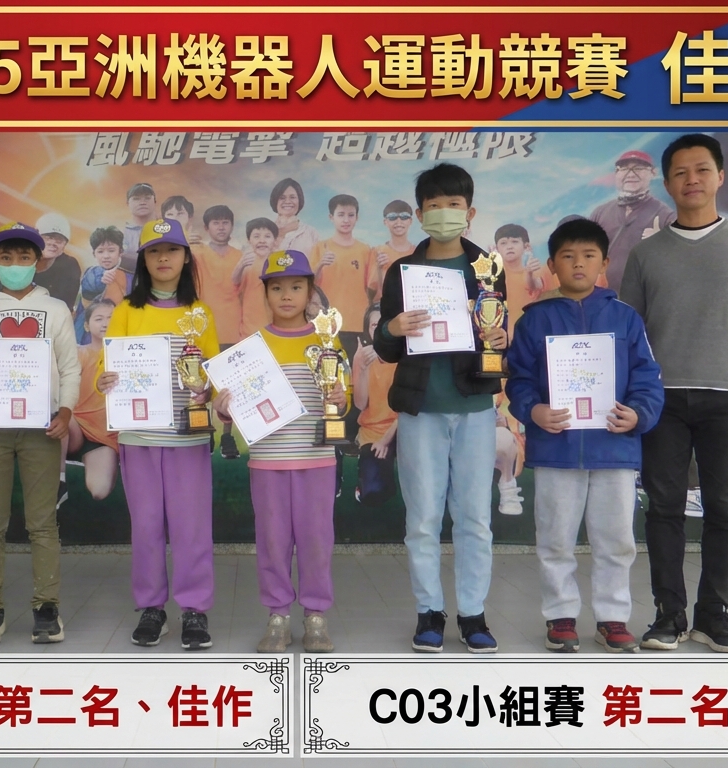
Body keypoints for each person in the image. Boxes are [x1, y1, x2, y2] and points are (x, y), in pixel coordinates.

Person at [620, 134, 728, 654]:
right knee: (663, 507)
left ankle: (714, 615)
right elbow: (633, 326)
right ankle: (668, 615)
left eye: (702, 169)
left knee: (724, 508)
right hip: (661, 398)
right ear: (667, 184)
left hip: (727, 395)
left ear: (720, 177)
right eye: (681, 172)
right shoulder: (646, 254)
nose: (692, 179)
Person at [505, 218, 664, 653]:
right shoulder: (534, 320)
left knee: (616, 540)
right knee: (555, 538)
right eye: (568, 256)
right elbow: (518, 379)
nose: (579, 264)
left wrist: (638, 415)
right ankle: (560, 615)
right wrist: (533, 410)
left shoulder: (625, 318)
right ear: (552, 265)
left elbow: (647, 377)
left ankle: (613, 618)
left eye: (589, 255)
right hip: (556, 449)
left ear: (604, 263)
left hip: (614, 448)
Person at [373, 163, 509, 654]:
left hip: (474, 406)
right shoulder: (401, 271)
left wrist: (499, 339)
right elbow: (386, 347)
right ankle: (429, 612)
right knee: (423, 518)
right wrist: (393, 328)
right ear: (420, 214)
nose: (444, 213)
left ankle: (473, 614)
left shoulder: (487, 268)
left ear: (469, 212)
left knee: (474, 517)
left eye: (454, 205)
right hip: (420, 408)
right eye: (434, 205)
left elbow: (497, 334)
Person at [214, 250, 345, 653]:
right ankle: (278, 616)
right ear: (266, 294)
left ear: (310, 292)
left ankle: (316, 616)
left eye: (296, 287)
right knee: (272, 541)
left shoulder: (327, 342)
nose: (286, 295)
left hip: (316, 460)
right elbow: (233, 406)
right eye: (277, 288)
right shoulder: (250, 349)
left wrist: (341, 399)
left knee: (316, 540)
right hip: (268, 462)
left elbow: (342, 402)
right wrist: (224, 408)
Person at [97, 218, 219, 651]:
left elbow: (212, 370)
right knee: (146, 525)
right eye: (154, 251)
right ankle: (152, 607)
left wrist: (206, 388)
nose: (163, 258)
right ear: (143, 260)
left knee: (191, 526)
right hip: (140, 437)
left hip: (187, 436)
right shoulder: (127, 311)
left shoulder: (200, 313)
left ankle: (194, 609)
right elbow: (106, 365)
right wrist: (104, 379)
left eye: (171, 250)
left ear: (186, 258)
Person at [0, 222, 80, 645]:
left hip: (41, 426)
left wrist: (65, 411)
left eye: (24, 257)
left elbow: (70, 367)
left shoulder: (56, 310)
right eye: (6, 258)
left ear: (38, 263)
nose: (15, 265)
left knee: (42, 522)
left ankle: (46, 607)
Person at [192, 205, 244, 460]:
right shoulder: (196, 253)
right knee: (200, 386)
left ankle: (226, 435)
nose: (221, 227)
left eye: (225, 222)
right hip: (203, 330)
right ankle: (205, 430)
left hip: (234, 329)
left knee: (228, 387)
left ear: (231, 226)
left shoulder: (241, 256)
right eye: (216, 223)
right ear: (206, 227)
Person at [589, 149, 676, 293]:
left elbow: (679, 265)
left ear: (653, 173)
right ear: (616, 174)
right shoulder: (600, 213)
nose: (631, 174)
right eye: (624, 168)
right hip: (602, 299)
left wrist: (662, 244)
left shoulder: (665, 215)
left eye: (639, 168)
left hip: (644, 300)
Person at [67, 300, 120, 501]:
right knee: (56, 411)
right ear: (87, 325)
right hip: (73, 429)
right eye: (99, 319)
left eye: (111, 318)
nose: (105, 323)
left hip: (103, 437)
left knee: (99, 490)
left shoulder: (129, 356)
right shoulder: (78, 353)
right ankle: (58, 480)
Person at [314, 194, 377, 340]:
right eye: (341, 215)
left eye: (351, 215)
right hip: (326, 323)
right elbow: (310, 285)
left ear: (357, 218)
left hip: (358, 322)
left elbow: (372, 288)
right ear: (331, 217)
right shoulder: (320, 247)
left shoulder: (365, 250)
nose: (346, 220)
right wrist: (320, 264)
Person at [353, 304, 398, 506]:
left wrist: (386, 440)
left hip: (403, 429)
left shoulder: (405, 356)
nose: (378, 330)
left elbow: (408, 408)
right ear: (367, 330)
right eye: (373, 325)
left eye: (384, 325)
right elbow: (360, 404)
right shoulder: (363, 356)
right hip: (372, 432)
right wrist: (362, 369)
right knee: (373, 492)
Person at [493, 224, 552, 339]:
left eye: (514, 242)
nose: (509, 247)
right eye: (503, 243)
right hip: (500, 340)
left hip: (529, 337)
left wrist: (529, 273)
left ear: (526, 246)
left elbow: (534, 285)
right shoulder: (492, 276)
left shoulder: (534, 271)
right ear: (496, 248)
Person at [76, 226, 131, 343]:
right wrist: (103, 277)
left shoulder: (130, 276)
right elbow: (90, 284)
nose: (106, 256)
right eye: (100, 251)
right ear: (94, 254)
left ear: (120, 251)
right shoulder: (91, 274)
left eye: (111, 250)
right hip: (90, 335)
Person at [234, 218, 279, 340]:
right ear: (249, 240)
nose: (262, 241)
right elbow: (234, 285)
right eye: (256, 236)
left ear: (275, 241)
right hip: (249, 331)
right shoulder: (245, 263)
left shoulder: (281, 262)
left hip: (276, 329)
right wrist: (240, 266)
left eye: (267, 236)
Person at [371, 200, 416, 302]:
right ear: (385, 222)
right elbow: (370, 289)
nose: (398, 222)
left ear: (410, 221)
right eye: (392, 217)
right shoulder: (377, 252)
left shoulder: (418, 252)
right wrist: (379, 269)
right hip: (383, 306)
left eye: (404, 217)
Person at [269, 178, 320, 255]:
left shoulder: (311, 233)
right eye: (282, 198)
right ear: (275, 201)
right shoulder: (264, 231)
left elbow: (319, 260)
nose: (287, 201)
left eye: (292, 197)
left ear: (299, 200)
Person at [121, 182, 158, 273]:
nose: (142, 203)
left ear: (155, 201)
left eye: (147, 198)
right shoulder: (121, 234)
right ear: (127, 203)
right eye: (136, 199)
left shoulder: (166, 228)